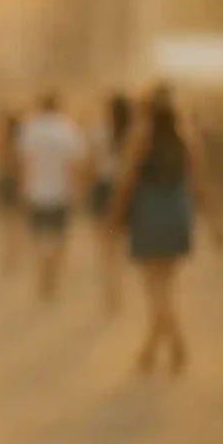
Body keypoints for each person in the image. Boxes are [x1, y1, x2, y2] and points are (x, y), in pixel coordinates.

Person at [107, 83, 223, 376]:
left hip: (149, 210)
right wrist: (214, 223)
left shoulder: (139, 136)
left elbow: (126, 180)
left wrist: (114, 215)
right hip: (176, 209)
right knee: (167, 284)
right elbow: (201, 181)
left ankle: (174, 342)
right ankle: (153, 347)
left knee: (154, 285)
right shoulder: (187, 136)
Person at [18, 91, 86, 301]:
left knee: (39, 237)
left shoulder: (30, 128)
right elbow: (73, 165)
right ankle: (53, 277)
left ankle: (43, 275)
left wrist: (24, 188)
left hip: (37, 192)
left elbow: (26, 163)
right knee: (59, 238)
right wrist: (76, 191)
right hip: (61, 192)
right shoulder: (68, 129)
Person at [88, 93, 131, 313]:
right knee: (120, 246)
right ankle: (118, 294)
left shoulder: (98, 132)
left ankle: (111, 295)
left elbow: (91, 164)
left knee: (105, 249)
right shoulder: (133, 133)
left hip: (103, 189)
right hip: (125, 191)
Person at [0, 108, 25, 274]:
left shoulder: (13, 144)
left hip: (11, 183)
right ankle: (12, 256)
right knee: (14, 223)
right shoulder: (20, 143)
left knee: (11, 223)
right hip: (13, 183)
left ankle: (11, 256)